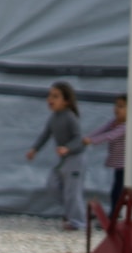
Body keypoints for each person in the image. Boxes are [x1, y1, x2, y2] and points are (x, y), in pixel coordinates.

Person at [26, 81, 87, 230]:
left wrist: (68, 148)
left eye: (55, 96)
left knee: (72, 192)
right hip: (63, 160)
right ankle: (73, 212)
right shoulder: (53, 118)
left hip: (75, 159)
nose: (50, 99)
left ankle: (78, 222)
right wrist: (35, 149)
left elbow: (79, 139)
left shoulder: (70, 117)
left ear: (66, 101)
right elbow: (45, 135)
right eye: (49, 96)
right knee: (53, 185)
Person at [83, 94, 128, 218]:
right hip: (118, 165)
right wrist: (88, 137)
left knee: (117, 192)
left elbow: (110, 136)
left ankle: (114, 215)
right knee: (115, 190)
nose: (116, 109)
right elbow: (102, 130)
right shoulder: (114, 123)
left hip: (125, 165)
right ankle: (114, 214)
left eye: (121, 106)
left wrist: (92, 141)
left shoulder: (126, 126)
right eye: (116, 105)